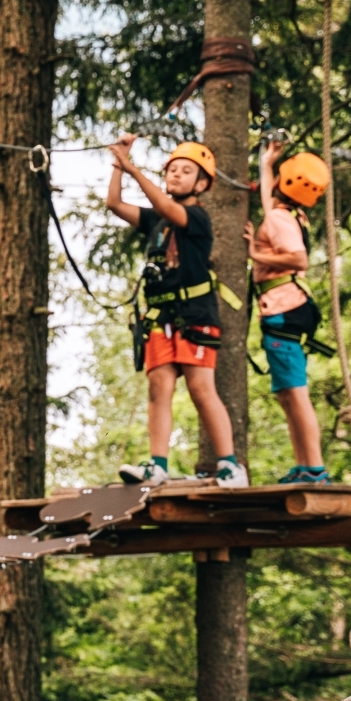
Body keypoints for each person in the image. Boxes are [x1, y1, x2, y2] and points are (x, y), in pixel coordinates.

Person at [106, 133, 248, 489]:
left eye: (186, 171)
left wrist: (132, 168)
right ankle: (158, 465)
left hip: (195, 315)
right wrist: (118, 165)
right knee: (159, 387)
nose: (176, 175)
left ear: (201, 184)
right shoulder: (157, 219)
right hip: (161, 318)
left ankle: (230, 466)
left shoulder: (197, 217)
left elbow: (170, 208)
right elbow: (114, 204)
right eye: (172, 169)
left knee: (202, 388)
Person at [245, 139, 330, 483]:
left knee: (295, 392)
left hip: (284, 307)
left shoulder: (281, 220)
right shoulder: (288, 214)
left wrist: (255, 254)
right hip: (286, 307)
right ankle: (304, 465)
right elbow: (270, 201)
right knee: (286, 393)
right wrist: (267, 165)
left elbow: (298, 259)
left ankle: (314, 468)